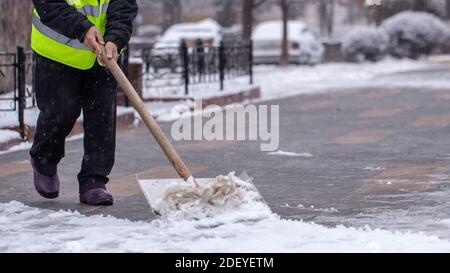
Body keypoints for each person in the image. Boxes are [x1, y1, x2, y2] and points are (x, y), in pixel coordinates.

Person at [30, 0, 138, 206]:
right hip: (57, 53)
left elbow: (124, 7)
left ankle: (94, 181)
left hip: (103, 55)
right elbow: (49, 5)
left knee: (102, 119)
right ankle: (44, 160)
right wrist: (83, 29)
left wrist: (115, 39)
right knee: (60, 113)